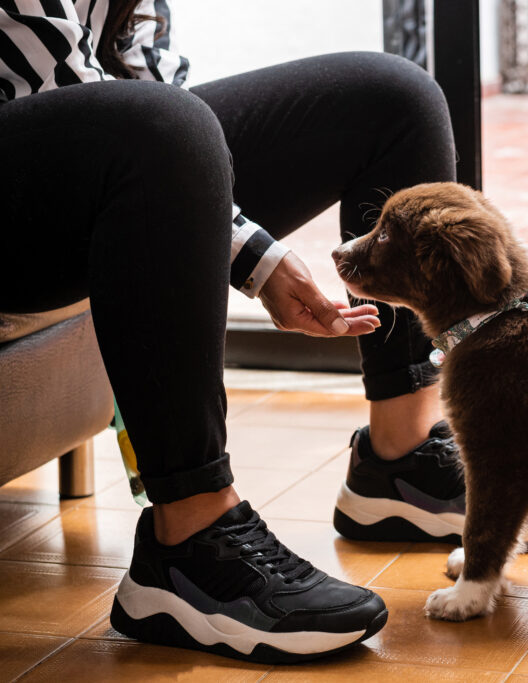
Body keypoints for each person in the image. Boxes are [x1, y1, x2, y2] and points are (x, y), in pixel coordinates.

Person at [0, 0, 469, 663]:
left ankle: (403, 459)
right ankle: (188, 542)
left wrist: (232, 230)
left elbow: (140, 73)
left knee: (394, 97)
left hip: (105, 142)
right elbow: (60, 96)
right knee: (161, 129)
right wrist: (258, 258)